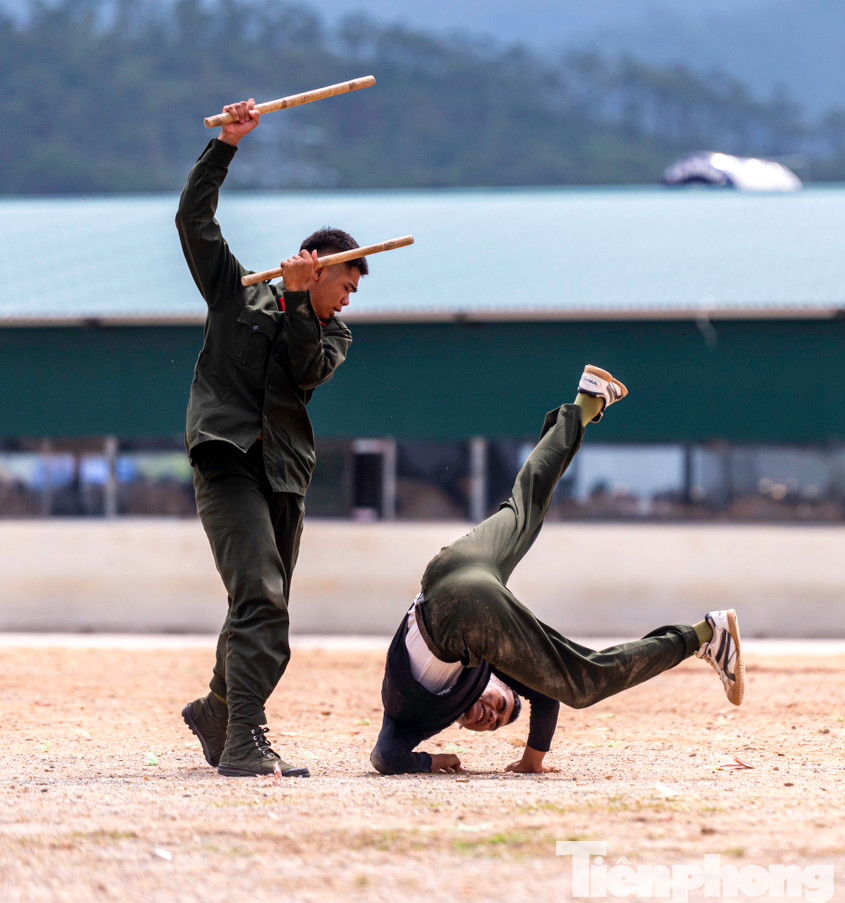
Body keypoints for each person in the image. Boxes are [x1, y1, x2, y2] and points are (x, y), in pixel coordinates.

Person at [369, 366, 745, 775]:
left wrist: (434, 760)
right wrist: (532, 761)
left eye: (494, 712)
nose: (491, 714)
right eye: (501, 714)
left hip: (455, 595)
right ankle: (583, 404)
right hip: (452, 576)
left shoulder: (422, 716)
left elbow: (384, 757)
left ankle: (704, 636)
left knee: (582, 679)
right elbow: (546, 698)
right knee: (524, 503)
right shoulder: (484, 668)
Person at [177, 99, 368, 778]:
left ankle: (218, 708)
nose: (346, 300)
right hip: (227, 460)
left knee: (258, 603)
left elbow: (302, 369)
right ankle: (244, 740)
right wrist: (227, 142)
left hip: (283, 475)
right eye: (343, 285)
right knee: (261, 595)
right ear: (317, 267)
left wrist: (298, 307)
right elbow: (193, 221)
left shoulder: (332, 335)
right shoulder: (236, 294)